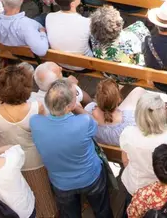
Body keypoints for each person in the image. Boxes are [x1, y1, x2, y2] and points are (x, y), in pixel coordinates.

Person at [31, 80, 112, 218]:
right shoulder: (84, 122)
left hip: (61, 183)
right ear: (69, 106)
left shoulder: (35, 122)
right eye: (75, 96)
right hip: (90, 176)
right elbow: (93, 125)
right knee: (102, 211)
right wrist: (78, 108)